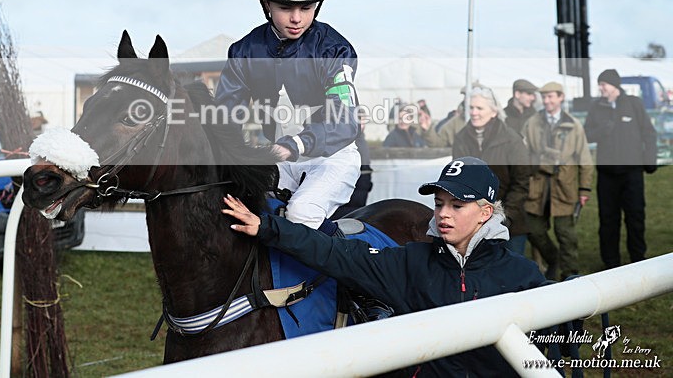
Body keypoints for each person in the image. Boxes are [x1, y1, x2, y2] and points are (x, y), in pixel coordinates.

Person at [223, 156, 546, 377]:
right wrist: (266, 227)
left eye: (457, 206)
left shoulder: (522, 276)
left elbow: (548, 353)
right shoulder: (410, 262)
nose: (443, 214)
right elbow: (336, 253)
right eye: (439, 204)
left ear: (485, 212)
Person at [215, 0, 360, 234]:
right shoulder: (244, 51)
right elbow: (224, 116)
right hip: (276, 158)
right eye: (285, 8)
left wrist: (294, 145)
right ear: (265, 4)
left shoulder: (335, 50)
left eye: (306, 7)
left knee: (300, 213)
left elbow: (343, 120)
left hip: (331, 157)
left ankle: (344, 270)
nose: (296, 18)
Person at [584, 69, 657, 268]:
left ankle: (638, 259)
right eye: (600, 84)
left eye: (604, 84)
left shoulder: (633, 104)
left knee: (635, 216)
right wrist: (602, 130)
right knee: (608, 220)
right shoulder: (596, 107)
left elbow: (649, 134)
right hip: (607, 175)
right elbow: (587, 134)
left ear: (614, 86)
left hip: (632, 173)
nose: (601, 88)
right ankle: (611, 263)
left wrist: (649, 162)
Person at [522, 82, 593, 280]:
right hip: (538, 186)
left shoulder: (574, 125)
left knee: (566, 235)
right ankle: (552, 259)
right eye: (544, 97)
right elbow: (524, 153)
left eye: (551, 96)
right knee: (534, 230)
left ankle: (570, 274)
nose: (547, 101)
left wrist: (584, 190)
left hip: (564, 187)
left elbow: (585, 159)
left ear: (561, 97)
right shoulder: (532, 123)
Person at [453, 85, 531, 255]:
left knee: (511, 274)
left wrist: (503, 217)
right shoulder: (461, 138)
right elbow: (458, 180)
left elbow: (521, 183)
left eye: (479, 108)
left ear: (493, 112)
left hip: (510, 222)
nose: (474, 112)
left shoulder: (512, 140)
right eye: (471, 107)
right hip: (472, 223)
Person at [331, 109, 373, 220]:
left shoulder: (360, 139)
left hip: (360, 183)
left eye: (364, 121)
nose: (362, 124)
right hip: (352, 182)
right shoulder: (348, 138)